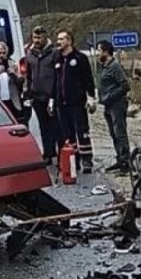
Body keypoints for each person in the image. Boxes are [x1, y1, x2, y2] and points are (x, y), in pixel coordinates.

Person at [52, 29, 96, 174]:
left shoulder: (80, 58)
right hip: (61, 103)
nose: (58, 42)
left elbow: (88, 79)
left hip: (77, 102)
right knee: (67, 134)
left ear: (69, 41)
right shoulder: (57, 59)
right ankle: (73, 160)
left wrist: (90, 96)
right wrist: (52, 99)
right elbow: (55, 81)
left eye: (62, 39)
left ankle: (87, 160)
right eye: (58, 39)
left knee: (82, 131)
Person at [25, 26, 60, 165]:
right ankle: (48, 153)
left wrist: (55, 94)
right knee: (43, 126)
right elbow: (28, 75)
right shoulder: (30, 54)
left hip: (51, 95)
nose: (37, 40)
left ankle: (59, 153)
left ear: (45, 37)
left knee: (56, 126)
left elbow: (58, 75)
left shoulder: (54, 53)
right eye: (35, 37)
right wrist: (28, 93)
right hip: (36, 96)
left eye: (39, 38)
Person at [95, 40, 131, 174]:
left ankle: (126, 162)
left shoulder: (115, 67)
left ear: (106, 52)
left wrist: (110, 96)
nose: (97, 54)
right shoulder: (104, 67)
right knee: (113, 133)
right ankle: (119, 159)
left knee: (120, 133)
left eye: (99, 51)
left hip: (117, 104)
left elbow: (125, 86)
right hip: (108, 106)